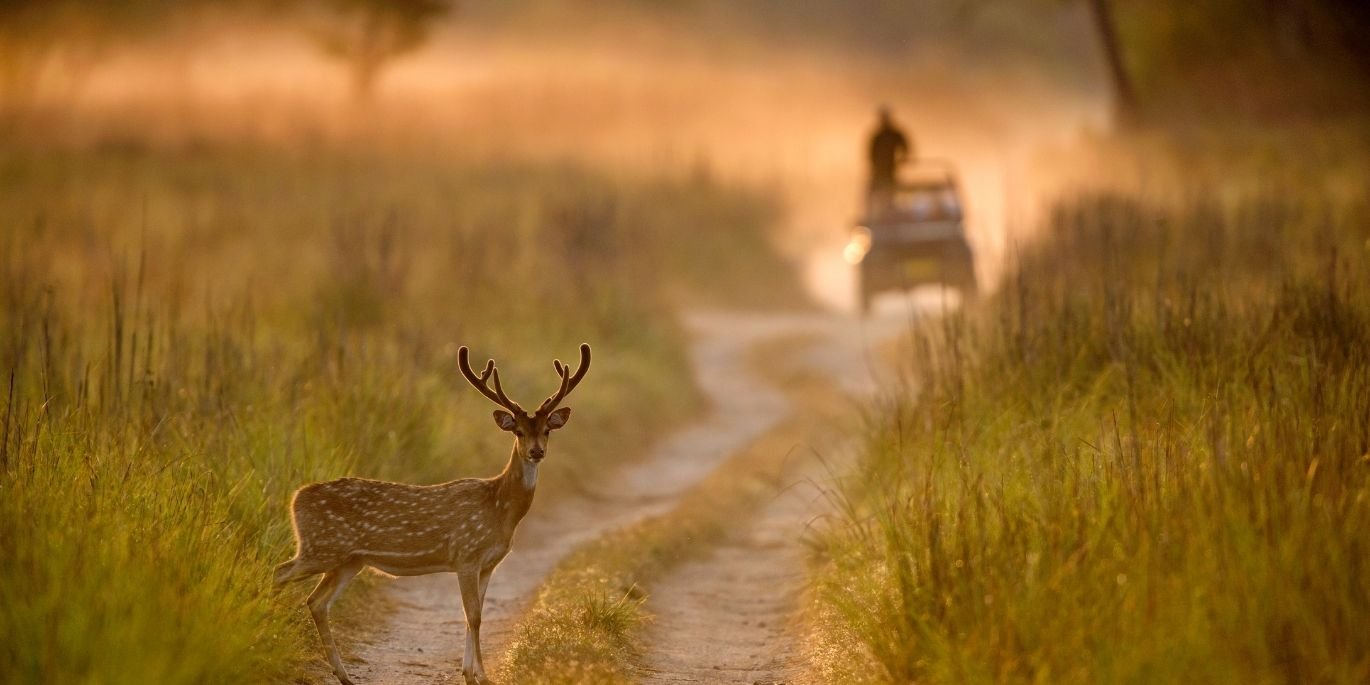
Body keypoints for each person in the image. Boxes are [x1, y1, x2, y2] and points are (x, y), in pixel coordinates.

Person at [867, 106, 912, 204]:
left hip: (890, 168)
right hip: (880, 169)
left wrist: (903, 159)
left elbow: (905, 147)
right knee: (875, 190)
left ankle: (891, 204)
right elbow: (870, 154)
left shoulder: (893, 134)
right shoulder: (878, 136)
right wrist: (875, 165)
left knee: (890, 188)